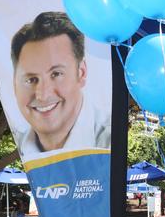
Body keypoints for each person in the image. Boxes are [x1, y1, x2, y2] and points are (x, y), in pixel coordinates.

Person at [11, 11, 110, 156]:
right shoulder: (19, 144)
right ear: (14, 84)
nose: (43, 95)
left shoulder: (113, 142)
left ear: (81, 73)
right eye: (31, 79)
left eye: (56, 74)